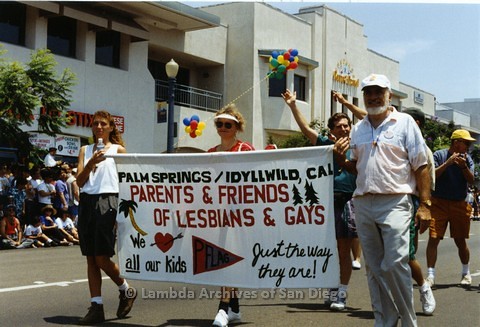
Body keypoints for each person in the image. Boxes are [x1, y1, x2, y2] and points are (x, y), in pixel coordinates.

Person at [337, 73, 431, 326]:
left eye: (379, 92)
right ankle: (385, 320)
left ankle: (409, 321)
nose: (373, 97)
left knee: (394, 263)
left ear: (390, 95)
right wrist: (339, 159)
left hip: (396, 200)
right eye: (368, 92)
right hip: (364, 202)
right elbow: (356, 168)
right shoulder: (358, 129)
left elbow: (421, 165)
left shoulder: (405, 122)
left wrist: (425, 205)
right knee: (374, 269)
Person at [282, 89, 359, 311]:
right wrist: (293, 105)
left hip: (346, 202)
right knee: (329, 250)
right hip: (325, 203)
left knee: (344, 250)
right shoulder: (324, 142)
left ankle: (342, 293)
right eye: (339, 126)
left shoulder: (357, 146)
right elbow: (306, 129)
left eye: (347, 125)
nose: (344, 128)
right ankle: (332, 287)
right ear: (331, 131)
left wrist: (345, 102)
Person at [76, 110, 135, 324]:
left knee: (102, 257)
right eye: (95, 124)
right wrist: (91, 163)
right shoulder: (84, 150)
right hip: (87, 203)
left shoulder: (119, 150)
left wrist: (122, 213)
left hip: (108, 201)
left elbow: (127, 183)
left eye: (103, 124)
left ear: (110, 127)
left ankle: (126, 289)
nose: (99, 127)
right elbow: (80, 181)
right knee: (90, 258)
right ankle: (96, 306)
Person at [209, 104, 254, 327]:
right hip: (216, 215)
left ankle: (223, 308)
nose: (223, 127)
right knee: (223, 259)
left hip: (239, 215)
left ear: (237, 127)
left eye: (228, 124)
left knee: (227, 260)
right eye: (220, 124)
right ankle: (234, 308)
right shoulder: (210, 153)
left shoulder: (245, 149)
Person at [425, 129, 475, 287]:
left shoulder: (468, 159)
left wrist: (463, 167)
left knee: (460, 241)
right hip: (438, 203)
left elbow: (472, 181)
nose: (467, 146)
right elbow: (431, 176)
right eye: (465, 143)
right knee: (433, 238)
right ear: (456, 142)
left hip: (459, 203)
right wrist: (448, 163)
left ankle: (466, 273)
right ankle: (431, 275)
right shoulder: (439, 155)